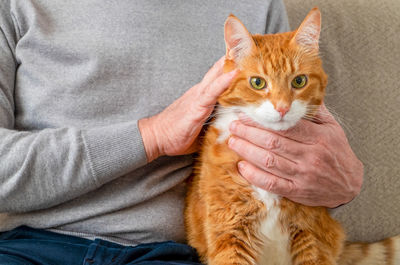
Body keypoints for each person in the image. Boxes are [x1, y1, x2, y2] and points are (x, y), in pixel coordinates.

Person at [0, 0, 363, 264]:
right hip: (30, 246)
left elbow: (294, 132)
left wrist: (340, 183)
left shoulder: (259, 6)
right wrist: (153, 136)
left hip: (171, 252)